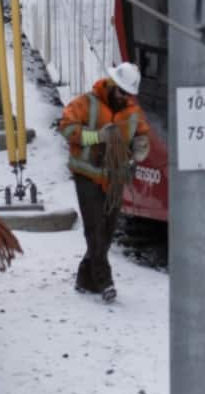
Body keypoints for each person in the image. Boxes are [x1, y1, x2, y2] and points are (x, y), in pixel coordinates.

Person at [58, 62, 151, 303]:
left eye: (129, 94)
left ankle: (84, 278)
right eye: (122, 92)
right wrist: (97, 136)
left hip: (115, 177)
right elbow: (67, 129)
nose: (125, 98)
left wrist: (140, 149)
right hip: (87, 175)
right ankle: (104, 281)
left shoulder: (132, 112)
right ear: (111, 86)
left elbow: (141, 134)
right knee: (95, 229)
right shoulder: (85, 104)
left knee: (107, 231)